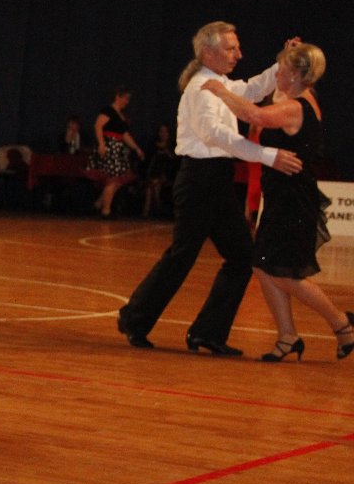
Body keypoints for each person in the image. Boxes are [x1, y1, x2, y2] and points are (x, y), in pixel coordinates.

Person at [117, 22, 303, 355]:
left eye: (237, 48)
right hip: (198, 180)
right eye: (231, 48)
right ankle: (134, 318)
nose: (238, 54)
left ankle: (207, 333)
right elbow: (217, 136)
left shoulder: (222, 85)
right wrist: (268, 156)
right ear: (208, 52)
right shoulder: (200, 89)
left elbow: (254, 88)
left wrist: (283, 61)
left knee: (242, 257)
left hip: (217, 181)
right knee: (182, 256)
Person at [201, 41, 354, 362]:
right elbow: (268, 107)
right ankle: (288, 336)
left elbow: (254, 113)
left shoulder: (296, 107)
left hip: (293, 201)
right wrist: (288, 52)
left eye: (281, 69)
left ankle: (343, 325)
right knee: (262, 266)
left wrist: (220, 90)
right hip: (282, 197)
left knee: (286, 274)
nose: (277, 75)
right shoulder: (299, 98)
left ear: (296, 74)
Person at [86, 87, 144, 218]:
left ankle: (99, 203)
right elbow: (98, 125)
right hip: (110, 147)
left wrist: (136, 148)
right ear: (118, 96)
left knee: (118, 181)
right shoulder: (108, 111)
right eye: (125, 98)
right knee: (112, 180)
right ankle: (105, 211)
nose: (127, 102)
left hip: (118, 149)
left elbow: (125, 135)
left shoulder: (121, 115)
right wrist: (101, 143)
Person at [142, 123, 177, 218]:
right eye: (161, 131)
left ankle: (155, 210)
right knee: (151, 186)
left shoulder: (172, 146)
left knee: (155, 185)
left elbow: (173, 161)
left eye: (165, 132)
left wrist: (165, 149)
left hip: (166, 174)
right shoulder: (153, 145)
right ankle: (148, 211)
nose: (163, 134)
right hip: (153, 173)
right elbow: (149, 162)